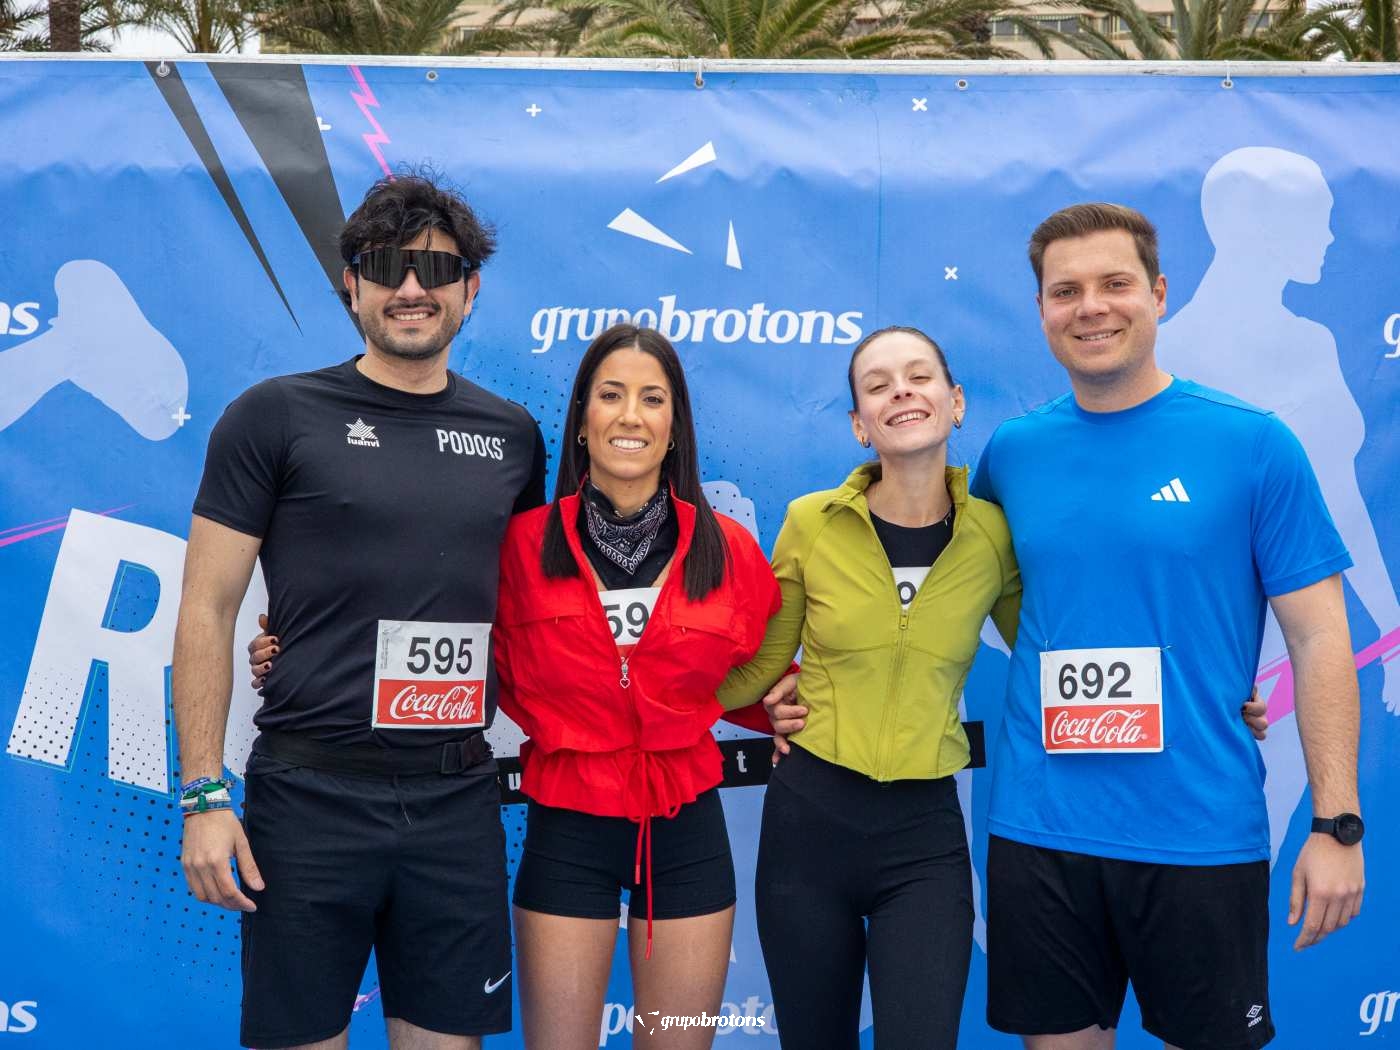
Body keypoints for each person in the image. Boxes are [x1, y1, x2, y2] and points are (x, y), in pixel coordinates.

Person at [252, 323, 780, 1049]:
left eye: (652, 399)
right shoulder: (522, 545)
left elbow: (758, 671)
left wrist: (786, 708)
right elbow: (434, 626)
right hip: (568, 829)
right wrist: (294, 651)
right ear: (582, 423)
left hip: (685, 833)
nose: (630, 415)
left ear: (674, 429)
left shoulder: (729, 550)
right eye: (611, 395)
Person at [972, 202, 1365, 1050]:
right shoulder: (1012, 454)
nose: (1091, 308)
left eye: (1115, 284)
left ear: (1157, 293)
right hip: (1040, 829)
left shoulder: (1253, 444)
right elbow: (962, 600)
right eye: (1066, 291)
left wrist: (1337, 823)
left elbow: (1320, 638)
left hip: (1198, 829)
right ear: (1041, 309)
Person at [172, 173, 545, 1050]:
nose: (410, 288)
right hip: (309, 799)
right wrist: (203, 795)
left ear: (470, 290)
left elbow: (536, 613)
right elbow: (207, 608)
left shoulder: (514, 436)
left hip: (456, 802)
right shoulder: (273, 416)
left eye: (434, 269)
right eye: (385, 267)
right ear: (352, 285)